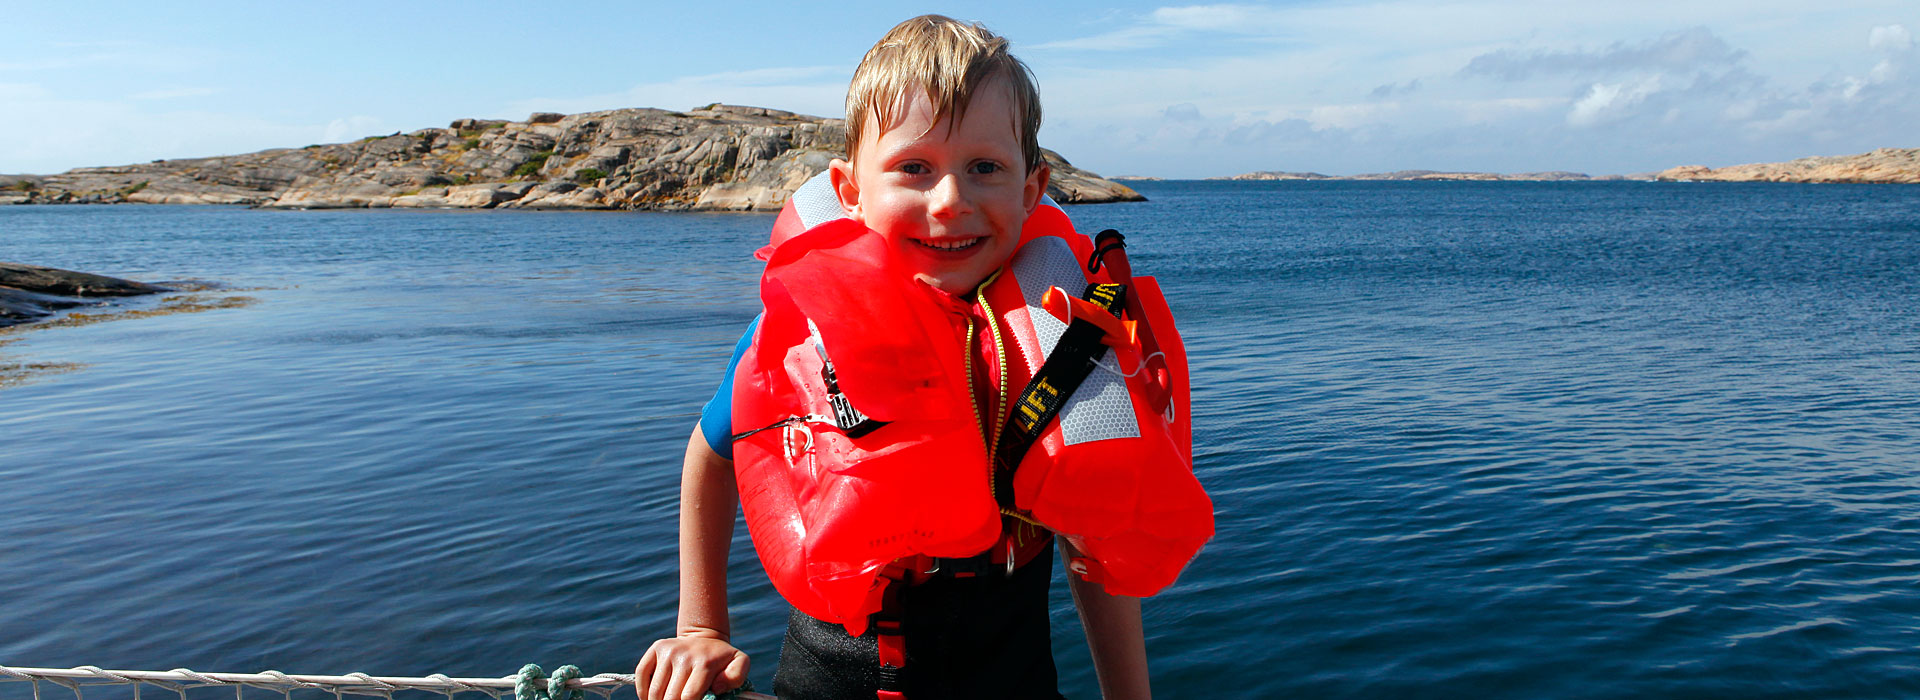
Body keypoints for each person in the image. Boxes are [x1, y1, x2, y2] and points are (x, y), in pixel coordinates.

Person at [637, 15, 1203, 700]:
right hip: (824, 681)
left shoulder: (1066, 340)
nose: (951, 200)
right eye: (914, 168)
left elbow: (1094, 529)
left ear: (1031, 191)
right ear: (850, 192)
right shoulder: (809, 332)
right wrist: (701, 627)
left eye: (984, 168)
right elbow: (712, 452)